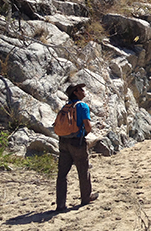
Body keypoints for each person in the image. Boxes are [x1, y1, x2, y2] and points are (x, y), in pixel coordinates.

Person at [56, 83, 98, 212]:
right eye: (80, 89)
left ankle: (60, 204)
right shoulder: (82, 106)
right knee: (83, 171)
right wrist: (82, 135)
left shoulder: (66, 106)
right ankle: (86, 198)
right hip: (77, 143)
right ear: (75, 92)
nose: (83, 91)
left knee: (62, 174)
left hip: (63, 142)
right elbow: (88, 127)